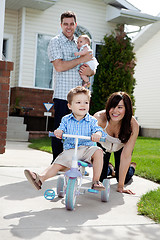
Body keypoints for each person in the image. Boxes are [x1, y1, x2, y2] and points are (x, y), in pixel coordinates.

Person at [24, 86, 105, 191]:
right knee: (57, 164)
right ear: (70, 106)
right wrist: (59, 132)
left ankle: (96, 181)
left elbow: (98, 130)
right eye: (78, 102)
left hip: (87, 149)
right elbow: (60, 129)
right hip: (71, 150)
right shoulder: (66, 120)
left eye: (86, 102)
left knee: (98, 151)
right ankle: (40, 178)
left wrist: (97, 134)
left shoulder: (92, 120)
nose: (83, 105)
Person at [48, 11, 95, 164]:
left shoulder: (81, 43)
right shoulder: (55, 42)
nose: (68, 27)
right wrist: (82, 59)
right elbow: (60, 66)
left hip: (80, 97)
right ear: (61, 25)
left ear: (75, 25)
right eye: (65, 24)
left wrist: (90, 71)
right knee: (60, 132)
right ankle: (57, 164)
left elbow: (91, 65)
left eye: (71, 24)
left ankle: (72, 164)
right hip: (63, 95)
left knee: (79, 132)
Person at [93, 91, 139, 194]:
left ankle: (131, 167)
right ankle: (109, 168)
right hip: (103, 146)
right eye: (112, 107)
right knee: (101, 178)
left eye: (120, 107)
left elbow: (126, 156)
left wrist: (121, 186)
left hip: (120, 148)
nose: (115, 111)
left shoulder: (133, 125)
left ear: (126, 109)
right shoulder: (99, 118)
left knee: (123, 178)